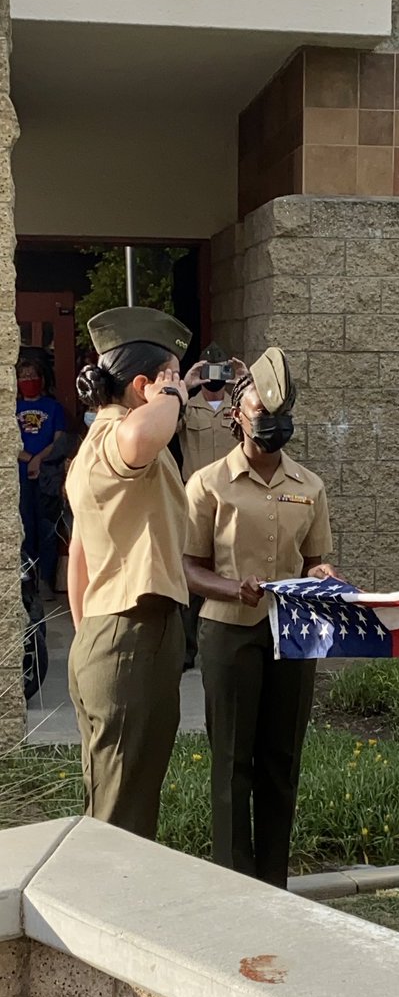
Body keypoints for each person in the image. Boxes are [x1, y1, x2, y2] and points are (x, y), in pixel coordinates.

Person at [184, 347, 336, 888]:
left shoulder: (309, 486)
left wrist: (322, 574)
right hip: (229, 631)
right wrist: (232, 587)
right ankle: (233, 881)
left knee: (280, 757)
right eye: (263, 415)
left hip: (290, 635)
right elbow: (187, 567)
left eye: (283, 416)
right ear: (237, 417)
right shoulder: (207, 485)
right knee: (231, 761)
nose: (274, 425)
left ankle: (274, 882)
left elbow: (316, 558)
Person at [66, 306, 192, 839]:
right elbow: (144, 438)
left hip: (112, 630)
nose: (180, 388)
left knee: (120, 802)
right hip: (130, 631)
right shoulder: (122, 438)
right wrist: (174, 397)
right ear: (144, 386)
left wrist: (89, 635)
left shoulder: (95, 444)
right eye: (171, 377)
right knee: (122, 821)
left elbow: (80, 556)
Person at [179, 343, 237, 670]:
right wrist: (184, 389)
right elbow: (166, 430)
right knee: (192, 570)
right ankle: (187, 649)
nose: (214, 376)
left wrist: (246, 381)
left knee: (226, 569)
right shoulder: (188, 407)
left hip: (231, 498)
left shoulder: (238, 405)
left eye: (221, 368)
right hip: (195, 498)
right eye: (209, 369)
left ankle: (220, 642)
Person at [16, 356, 66, 593]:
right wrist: (28, 459)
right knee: (24, 526)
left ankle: (46, 580)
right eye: (23, 377)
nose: (28, 380)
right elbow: (8, 442)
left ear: (42, 379)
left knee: (47, 528)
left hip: (48, 476)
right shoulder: (12, 409)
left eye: (32, 376)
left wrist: (38, 459)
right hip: (20, 478)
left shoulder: (53, 407)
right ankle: (28, 580)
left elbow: (59, 439)